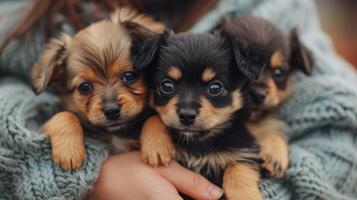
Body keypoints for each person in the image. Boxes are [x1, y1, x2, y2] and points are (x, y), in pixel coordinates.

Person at [1, 0, 357, 200]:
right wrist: (94, 178)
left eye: (129, 77)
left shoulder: (276, 11)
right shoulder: (39, 17)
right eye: (85, 87)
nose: (110, 103)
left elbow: (342, 121)